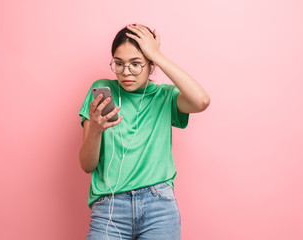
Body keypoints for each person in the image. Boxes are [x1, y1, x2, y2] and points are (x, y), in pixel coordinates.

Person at [78, 24, 210, 240]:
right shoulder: (102, 91)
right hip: (109, 208)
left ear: (151, 65)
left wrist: (156, 54)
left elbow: (201, 100)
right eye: (119, 64)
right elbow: (87, 165)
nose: (126, 72)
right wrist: (96, 130)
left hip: (158, 207)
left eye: (136, 64)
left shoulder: (164, 96)